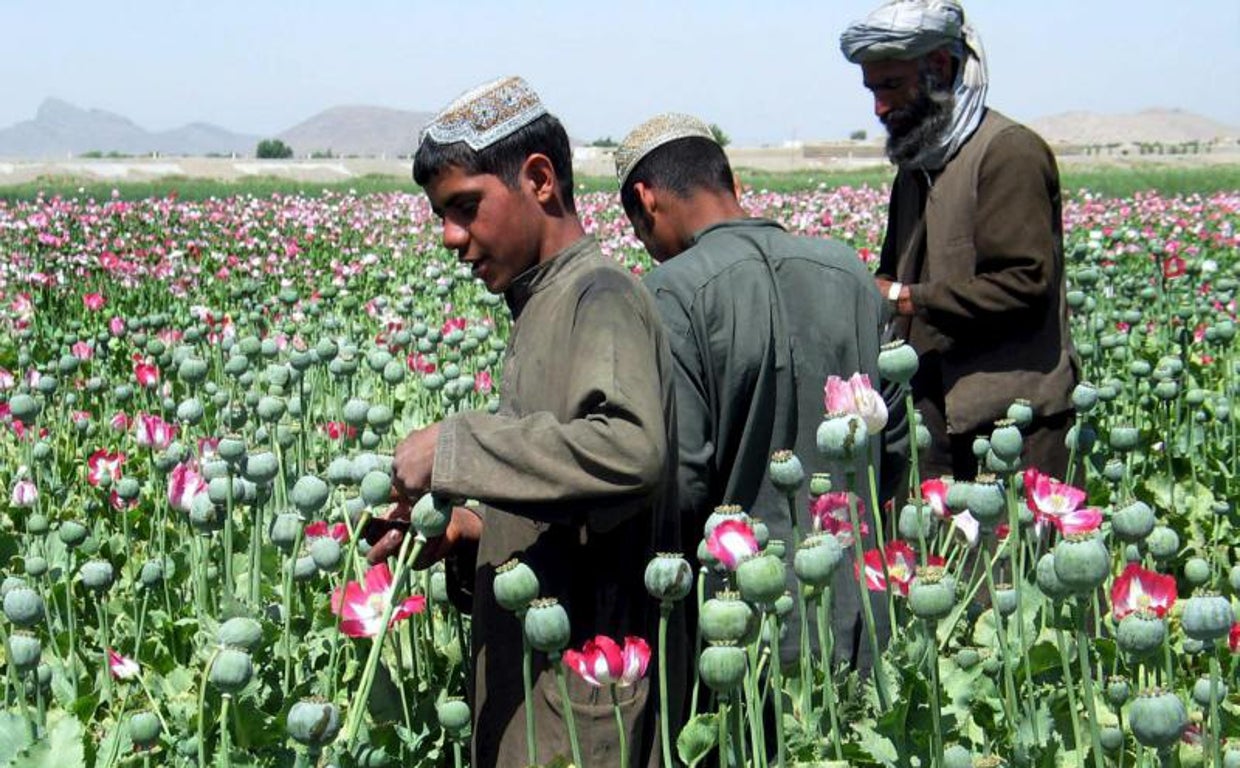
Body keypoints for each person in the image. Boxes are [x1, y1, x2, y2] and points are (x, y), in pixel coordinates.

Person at [370, 76, 682, 768]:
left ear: (539, 179)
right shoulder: (541, 302)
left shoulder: (597, 296)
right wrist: (471, 531)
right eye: (441, 216)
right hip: (538, 686)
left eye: (465, 207)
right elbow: (572, 499)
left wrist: (456, 446)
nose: (451, 237)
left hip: (579, 700)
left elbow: (631, 452)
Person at [614, 113, 887, 669]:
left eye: (641, 234)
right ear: (734, 184)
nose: (649, 251)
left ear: (645, 201)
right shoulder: (851, 272)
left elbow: (683, 482)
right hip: (859, 614)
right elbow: (895, 441)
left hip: (742, 629)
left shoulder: (671, 293)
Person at [840, 0, 1079, 483]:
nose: (879, 106)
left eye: (891, 86)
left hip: (1013, 420)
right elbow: (893, 271)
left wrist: (907, 298)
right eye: (872, 89)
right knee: (938, 557)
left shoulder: (1007, 152)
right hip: (929, 415)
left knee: (1016, 558)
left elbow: (1023, 282)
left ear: (940, 67)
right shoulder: (916, 166)